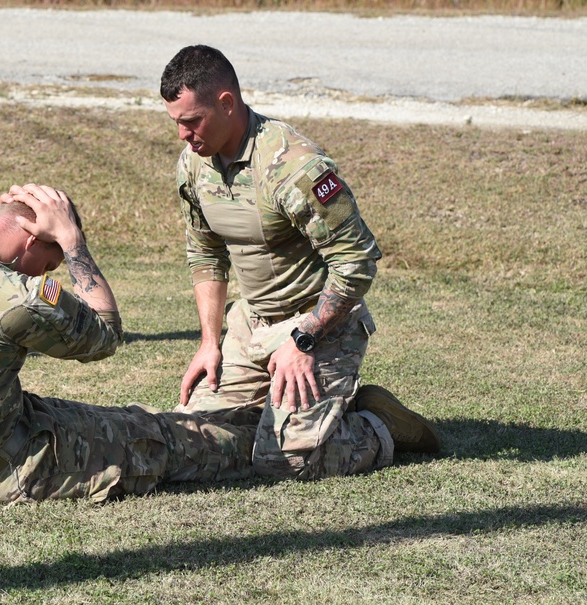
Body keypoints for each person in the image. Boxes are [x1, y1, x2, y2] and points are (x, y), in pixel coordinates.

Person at [159, 44, 439, 481]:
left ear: (227, 104)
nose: (182, 135)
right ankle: (279, 413)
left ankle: (379, 424)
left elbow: (356, 259)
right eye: (176, 123)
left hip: (317, 327)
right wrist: (210, 342)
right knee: (194, 435)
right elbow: (205, 253)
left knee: (286, 461)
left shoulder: (294, 165)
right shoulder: (194, 165)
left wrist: (304, 338)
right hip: (250, 325)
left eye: (191, 122)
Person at [0, 183, 261, 504]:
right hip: (22, 467)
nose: (46, 274)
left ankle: (243, 417)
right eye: (50, 265)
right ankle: (280, 446)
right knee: (165, 442)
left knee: (138, 421)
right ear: (32, 239)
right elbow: (106, 333)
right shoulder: (16, 296)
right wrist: (72, 241)